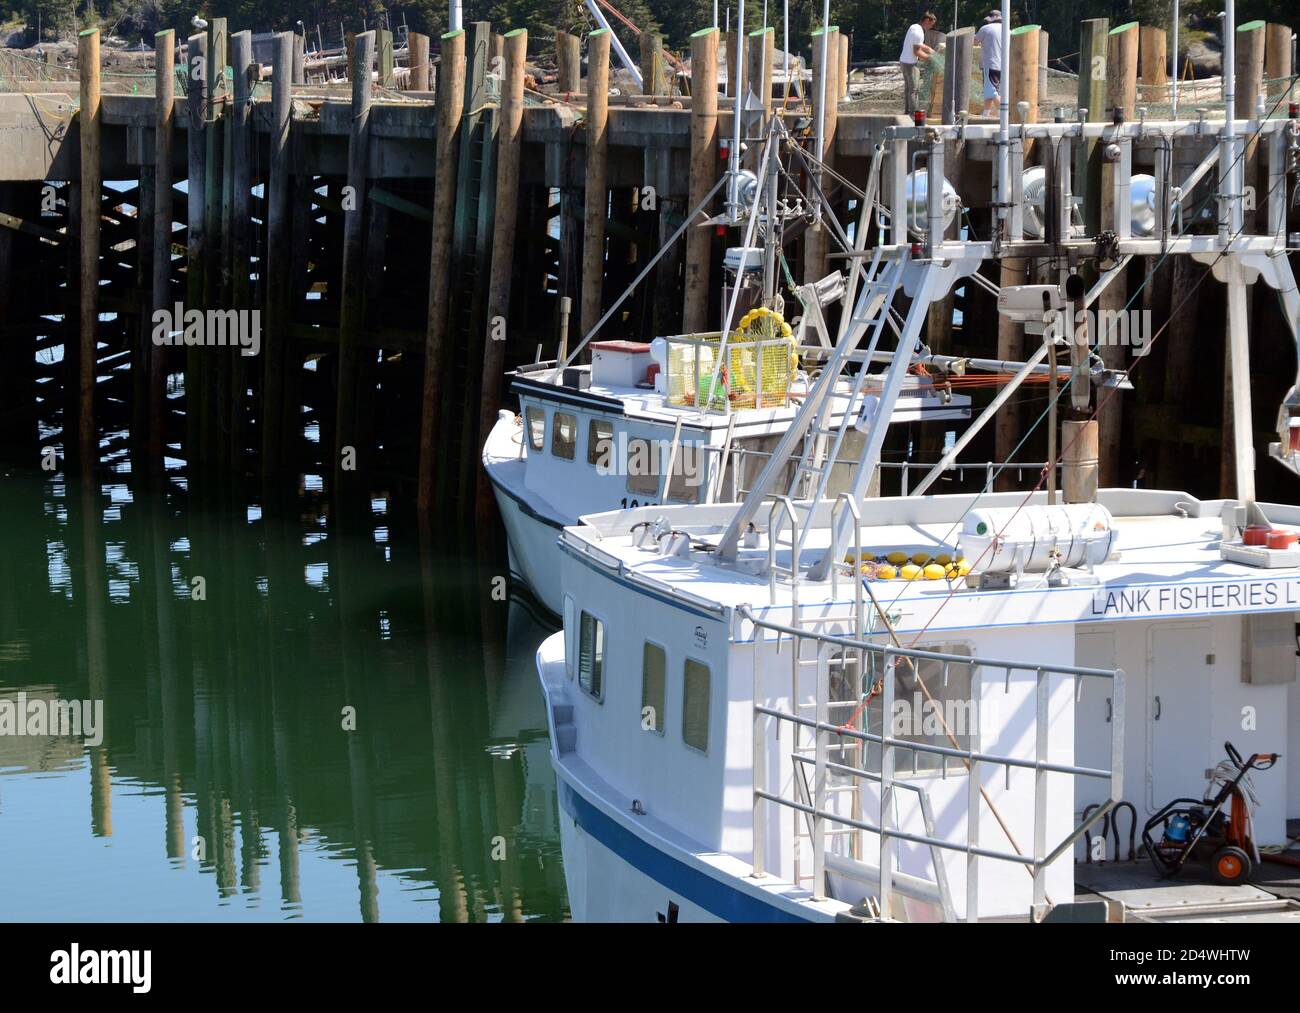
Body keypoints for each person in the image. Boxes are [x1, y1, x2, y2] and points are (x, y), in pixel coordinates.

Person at [899, 11, 938, 115]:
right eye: (930, 24)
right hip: (910, 64)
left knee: (908, 89)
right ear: (926, 20)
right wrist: (930, 58)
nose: (930, 27)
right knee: (914, 90)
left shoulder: (914, 27)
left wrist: (928, 48)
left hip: (904, 61)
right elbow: (916, 51)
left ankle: (907, 112)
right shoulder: (919, 32)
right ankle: (914, 114)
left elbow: (918, 44)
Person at [974, 10, 1003, 117]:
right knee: (992, 90)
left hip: (991, 64)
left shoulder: (986, 28)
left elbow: (974, 41)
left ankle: (1003, 113)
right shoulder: (1007, 30)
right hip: (1004, 66)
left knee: (992, 91)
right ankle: (986, 113)